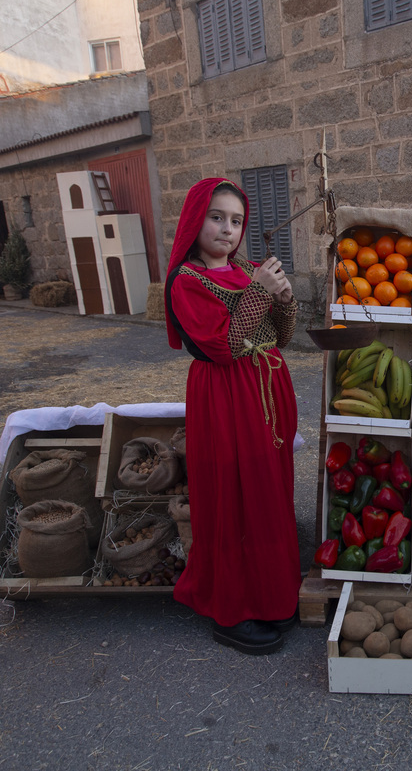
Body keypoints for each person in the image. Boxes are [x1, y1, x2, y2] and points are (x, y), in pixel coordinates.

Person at [164, 177, 300, 655]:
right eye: (216, 217)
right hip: (225, 399)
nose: (227, 228)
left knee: (267, 492)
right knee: (233, 496)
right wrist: (261, 292)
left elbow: (279, 336)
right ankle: (232, 610)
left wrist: (282, 298)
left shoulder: (244, 269)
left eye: (236, 220)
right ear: (194, 221)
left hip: (263, 394)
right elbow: (222, 346)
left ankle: (272, 595)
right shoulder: (187, 280)